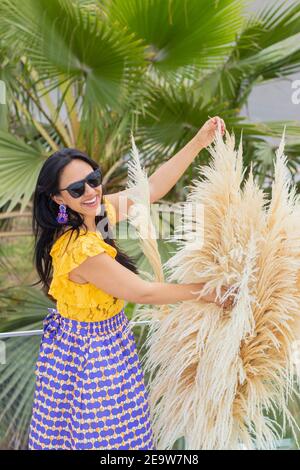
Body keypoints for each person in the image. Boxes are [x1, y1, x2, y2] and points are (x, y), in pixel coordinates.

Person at [28, 117, 232, 450]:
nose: (91, 191)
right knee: (106, 442)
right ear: (58, 199)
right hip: (91, 355)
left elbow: (149, 190)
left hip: (103, 340)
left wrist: (198, 142)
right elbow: (142, 291)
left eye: (93, 179)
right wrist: (208, 292)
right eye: (77, 189)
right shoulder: (80, 248)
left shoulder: (95, 215)